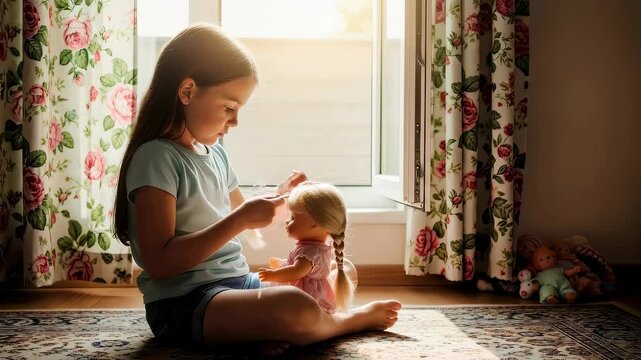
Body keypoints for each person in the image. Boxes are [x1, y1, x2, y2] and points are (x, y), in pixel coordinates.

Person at [112, 23, 401, 353]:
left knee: (338, 271)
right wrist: (240, 220)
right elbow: (160, 261)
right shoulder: (156, 157)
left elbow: (247, 215)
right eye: (229, 107)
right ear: (188, 91)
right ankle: (349, 320)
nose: (234, 122)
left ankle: (254, 336)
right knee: (295, 306)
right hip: (184, 304)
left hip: (237, 285)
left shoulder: (215, 153)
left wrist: (286, 198)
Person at [258, 182, 353, 314]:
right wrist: (284, 263)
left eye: (293, 217)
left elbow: (297, 271)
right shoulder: (315, 248)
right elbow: (302, 268)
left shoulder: (309, 252)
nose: (287, 221)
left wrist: (274, 275)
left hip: (306, 298)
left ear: (314, 223)